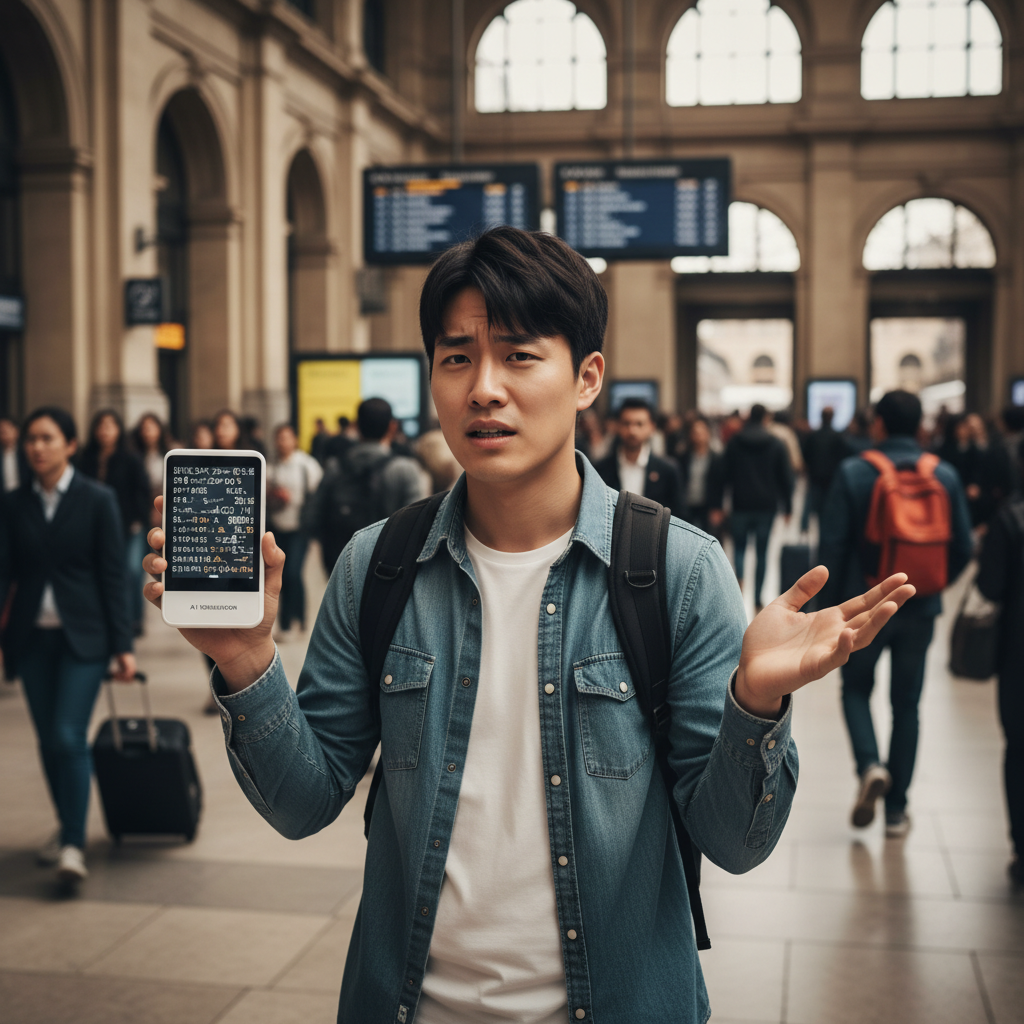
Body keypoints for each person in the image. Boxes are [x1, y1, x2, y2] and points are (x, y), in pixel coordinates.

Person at [142, 226, 912, 1024]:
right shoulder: (378, 565)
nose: (483, 389)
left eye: (518, 355)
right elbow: (304, 803)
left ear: (586, 378)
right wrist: (244, 661)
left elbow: (735, 844)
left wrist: (756, 704)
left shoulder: (677, 572)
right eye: (456, 358)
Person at [819, 390, 972, 838]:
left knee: (855, 690)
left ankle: (869, 765)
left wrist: (830, 610)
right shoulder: (943, 474)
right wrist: (929, 586)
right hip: (919, 607)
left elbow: (832, 548)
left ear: (879, 425)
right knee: (907, 705)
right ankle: (898, 810)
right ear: (920, 424)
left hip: (865, 608)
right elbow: (963, 546)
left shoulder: (854, 472)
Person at [0, 407, 136, 883]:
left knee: (66, 735)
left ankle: (73, 846)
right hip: (31, 638)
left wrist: (124, 645)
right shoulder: (14, 503)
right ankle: (67, 826)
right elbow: (5, 574)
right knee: (46, 741)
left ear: (70, 445)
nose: (36, 447)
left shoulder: (97, 499)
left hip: (86, 638)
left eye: (47, 438)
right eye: (30, 440)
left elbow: (112, 575)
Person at [975, 438, 1024, 887]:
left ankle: (1022, 850)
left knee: (1019, 747)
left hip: (1017, 656)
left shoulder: (1011, 519)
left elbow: (989, 588)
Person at [307, 397, 429, 573]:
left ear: (356, 426)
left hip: (341, 564)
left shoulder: (335, 467)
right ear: (392, 427)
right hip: (387, 569)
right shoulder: (405, 470)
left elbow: (312, 517)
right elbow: (416, 527)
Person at [77, 410, 152, 636]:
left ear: (119, 429)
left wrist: (138, 519)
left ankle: (134, 619)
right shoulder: (86, 458)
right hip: (96, 526)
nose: (105, 431)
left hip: (130, 525)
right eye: (101, 426)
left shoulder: (130, 457)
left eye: (110, 426)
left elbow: (142, 490)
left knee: (131, 571)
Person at [718, 404, 794, 612]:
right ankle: (759, 598)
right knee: (762, 552)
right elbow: (785, 477)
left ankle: (739, 590)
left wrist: (718, 503)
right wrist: (788, 506)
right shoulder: (776, 443)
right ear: (765, 418)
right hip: (766, 506)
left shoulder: (735, 442)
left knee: (740, 549)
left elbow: (723, 474)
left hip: (740, 503)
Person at [268, 423, 323, 641]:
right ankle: (285, 624)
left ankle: (298, 620)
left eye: (287, 437)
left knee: (293, 573)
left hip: (300, 528)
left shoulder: (306, 465)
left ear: (295, 440)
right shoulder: (271, 467)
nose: (283, 442)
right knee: (281, 576)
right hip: (277, 527)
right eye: (279, 438)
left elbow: (318, 494)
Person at [593, 397, 684, 511]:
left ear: (651, 427)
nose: (632, 431)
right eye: (626, 424)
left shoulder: (668, 470)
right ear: (617, 426)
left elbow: (679, 516)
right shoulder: (600, 469)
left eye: (639, 424)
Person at [801, 407, 852, 532]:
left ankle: (804, 528)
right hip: (831, 480)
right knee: (827, 514)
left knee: (811, 507)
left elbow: (806, 457)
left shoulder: (813, 436)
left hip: (815, 478)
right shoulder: (838, 437)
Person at [677, 416, 724, 535]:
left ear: (708, 433)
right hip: (687, 504)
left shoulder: (716, 458)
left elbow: (720, 485)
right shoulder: (683, 457)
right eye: (695, 432)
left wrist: (717, 507)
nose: (698, 436)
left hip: (707, 505)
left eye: (702, 432)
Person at [132, 412, 173, 526]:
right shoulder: (135, 456)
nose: (147, 432)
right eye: (144, 428)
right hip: (142, 512)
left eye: (151, 428)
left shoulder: (168, 454)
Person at [0, 415, 27, 493]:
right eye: (1, 431)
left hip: (23, 494)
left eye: (6, 430)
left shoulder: (25, 452)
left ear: (16, 431)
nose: (3, 434)